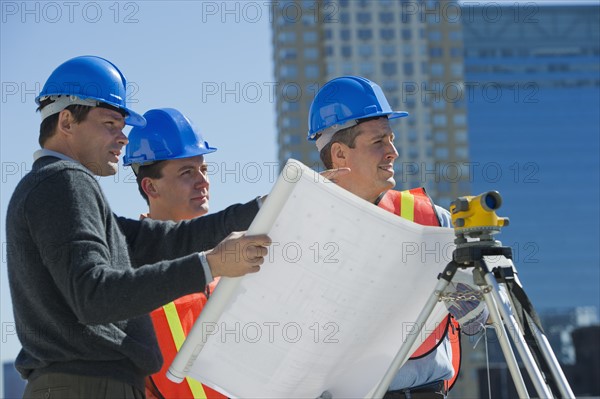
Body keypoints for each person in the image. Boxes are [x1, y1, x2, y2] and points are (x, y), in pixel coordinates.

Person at [6, 56, 271, 399]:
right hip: (89, 387)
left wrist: (268, 205)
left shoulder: (57, 188)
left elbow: (173, 238)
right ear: (67, 121)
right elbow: (95, 296)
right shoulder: (64, 182)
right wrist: (212, 264)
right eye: (111, 124)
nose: (123, 139)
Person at [307, 76, 488, 399]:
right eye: (378, 142)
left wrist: (471, 301)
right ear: (340, 154)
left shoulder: (431, 220)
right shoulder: (304, 235)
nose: (393, 152)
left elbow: (478, 321)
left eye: (391, 140)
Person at [123, 108, 232, 399]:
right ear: (150, 186)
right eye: (187, 172)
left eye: (204, 169)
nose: (203, 181)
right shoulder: (126, 269)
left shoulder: (231, 258)